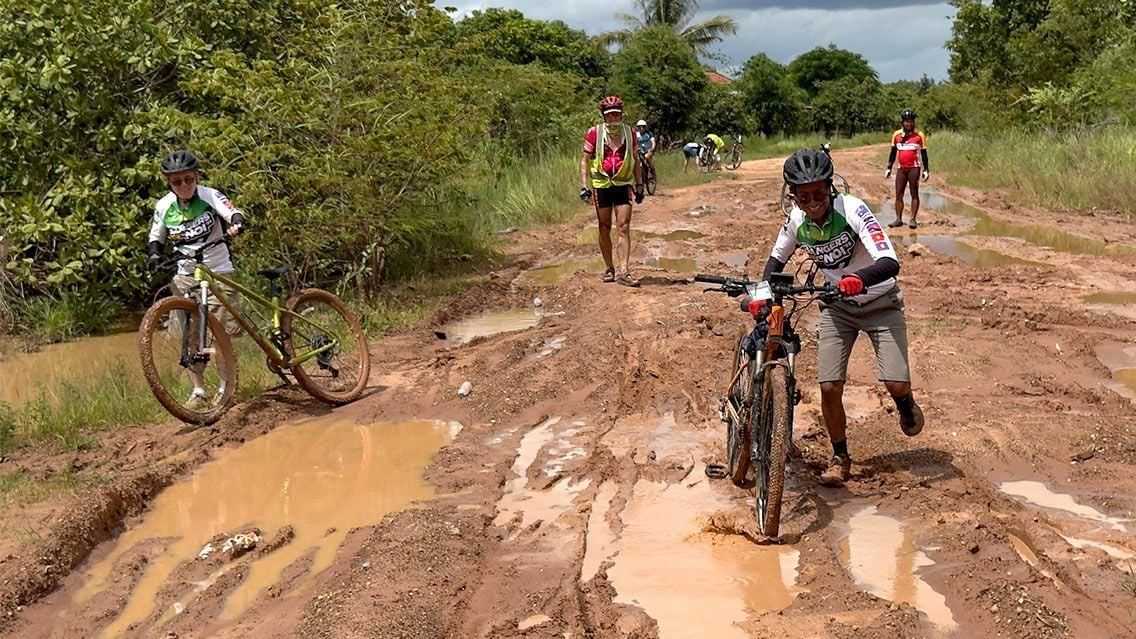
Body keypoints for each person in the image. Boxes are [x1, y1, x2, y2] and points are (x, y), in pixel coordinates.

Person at [744, 148, 924, 487]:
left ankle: (904, 401)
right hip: (836, 307)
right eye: (804, 196)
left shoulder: (853, 209)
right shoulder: (796, 222)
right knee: (828, 386)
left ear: (831, 187)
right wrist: (760, 296)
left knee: (894, 383)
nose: (813, 203)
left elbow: (889, 261)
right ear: (793, 197)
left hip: (880, 301)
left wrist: (860, 280)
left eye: (819, 193)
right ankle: (840, 456)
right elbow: (773, 265)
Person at [147, 150, 247, 405]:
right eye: (176, 181)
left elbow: (233, 213)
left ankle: (226, 388)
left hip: (217, 271)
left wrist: (236, 223)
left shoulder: (209, 195)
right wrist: (155, 256)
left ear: (196, 176)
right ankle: (199, 391)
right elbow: (156, 238)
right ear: (169, 183)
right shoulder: (164, 206)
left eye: (188, 179)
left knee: (221, 333)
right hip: (186, 275)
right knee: (190, 336)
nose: (184, 185)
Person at [580, 96, 644, 287]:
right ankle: (609, 267)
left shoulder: (630, 133)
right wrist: (584, 186)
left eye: (617, 115)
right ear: (604, 116)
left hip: (623, 184)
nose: (614, 119)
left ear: (621, 115)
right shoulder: (594, 133)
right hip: (601, 186)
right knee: (604, 226)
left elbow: (635, 158)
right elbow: (584, 160)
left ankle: (624, 271)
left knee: (623, 226)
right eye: (610, 116)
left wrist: (639, 184)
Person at [884, 109, 929, 229]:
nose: (908, 124)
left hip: (914, 168)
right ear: (902, 122)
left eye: (910, 121)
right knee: (899, 194)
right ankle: (898, 219)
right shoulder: (896, 135)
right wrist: (889, 167)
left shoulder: (919, 135)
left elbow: (924, 154)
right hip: (901, 169)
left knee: (914, 193)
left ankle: (913, 219)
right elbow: (893, 152)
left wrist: (926, 170)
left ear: (913, 122)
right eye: (906, 121)